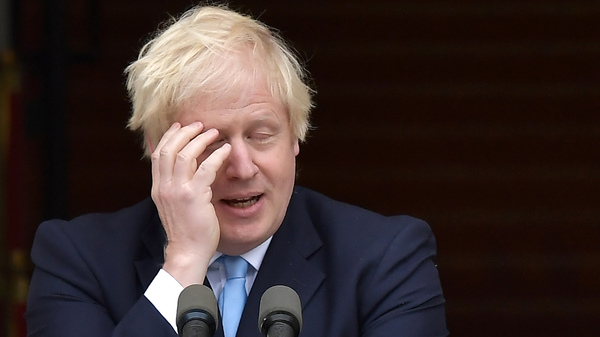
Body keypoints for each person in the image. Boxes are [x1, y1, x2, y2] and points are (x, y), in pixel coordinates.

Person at [25, 4, 447, 337]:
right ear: (159, 151)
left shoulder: (387, 259)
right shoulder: (77, 260)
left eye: (262, 135)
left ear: (296, 139)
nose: (242, 167)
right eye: (212, 142)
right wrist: (184, 262)